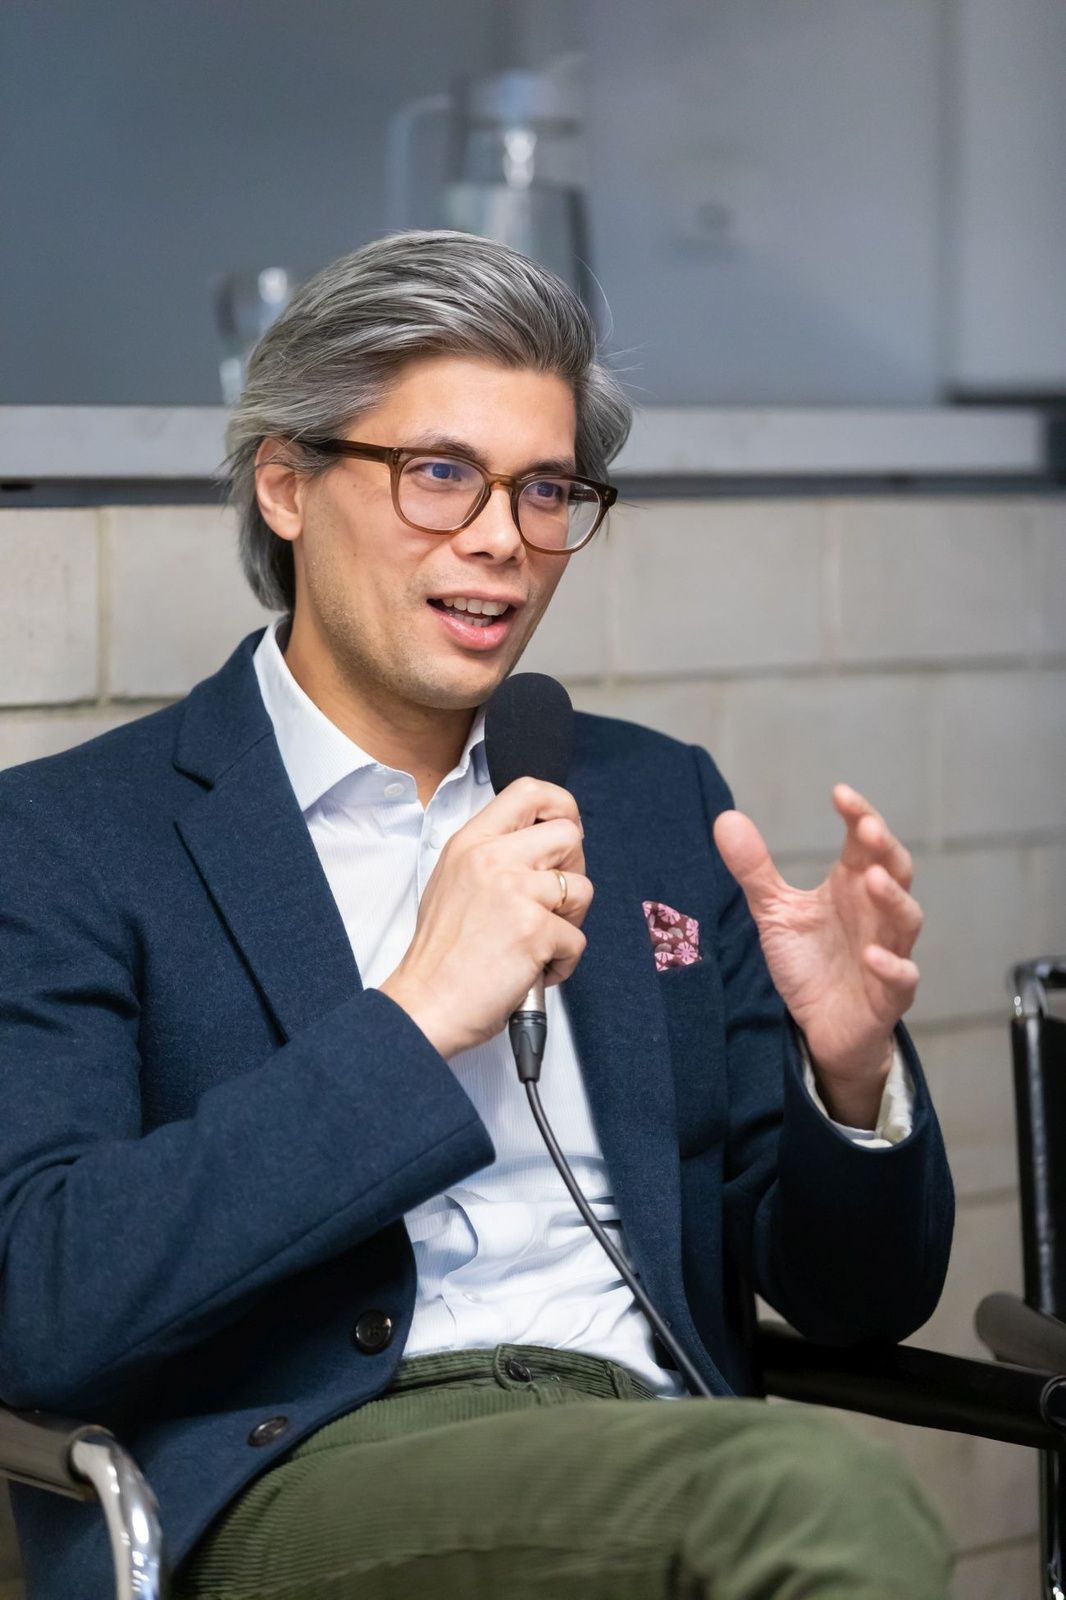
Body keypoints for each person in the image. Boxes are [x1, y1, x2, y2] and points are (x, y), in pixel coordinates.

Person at [0, 230, 954, 1600]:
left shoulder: (652, 800)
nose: (503, 539)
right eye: (439, 474)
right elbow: (41, 1302)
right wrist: (415, 1018)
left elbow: (858, 1303)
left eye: (544, 488)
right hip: (304, 1474)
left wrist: (848, 1081)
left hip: (652, 1438)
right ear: (286, 483)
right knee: (804, 1491)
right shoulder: (70, 839)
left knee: (776, 1490)